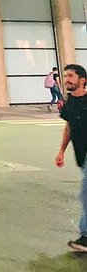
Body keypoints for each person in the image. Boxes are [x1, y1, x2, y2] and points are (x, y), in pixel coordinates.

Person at [55, 63, 87, 252]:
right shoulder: (70, 103)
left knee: (85, 195)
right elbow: (69, 128)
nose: (66, 79)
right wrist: (61, 151)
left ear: (82, 80)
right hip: (81, 153)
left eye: (71, 76)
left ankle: (85, 237)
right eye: (65, 76)